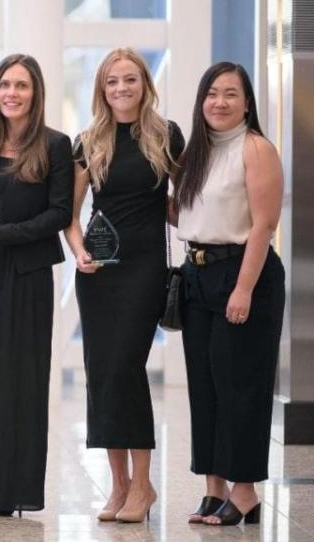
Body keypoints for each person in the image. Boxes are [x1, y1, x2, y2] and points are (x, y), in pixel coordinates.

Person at [0, 53, 74, 516]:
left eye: (21, 85)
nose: (12, 93)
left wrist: (4, 236)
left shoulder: (56, 146)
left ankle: (14, 491)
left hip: (26, 275)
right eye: (5, 85)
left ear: (36, 93)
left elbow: (59, 215)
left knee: (20, 384)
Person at [65, 48, 184, 523]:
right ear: (102, 88)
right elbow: (71, 216)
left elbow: (184, 197)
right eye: (112, 81)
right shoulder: (88, 140)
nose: (121, 89)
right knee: (103, 375)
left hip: (144, 267)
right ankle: (117, 486)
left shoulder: (165, 134)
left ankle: (143, 483)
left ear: (144, 84)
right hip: (99, 271)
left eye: (129, 80)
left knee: (126, 368)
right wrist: (79, 253)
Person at [176, 62, 285, 527]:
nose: (219, 102)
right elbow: (183, 215)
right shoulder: (196, 154)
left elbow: (264, 224)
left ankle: (245, 492)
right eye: (212, 94)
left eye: (231, 94)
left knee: (240, 387)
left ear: (246, 103)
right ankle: (213, 488)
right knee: (205, 387)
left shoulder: (256, 148)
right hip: (197, 274)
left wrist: (243, 287)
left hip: (244, 275)